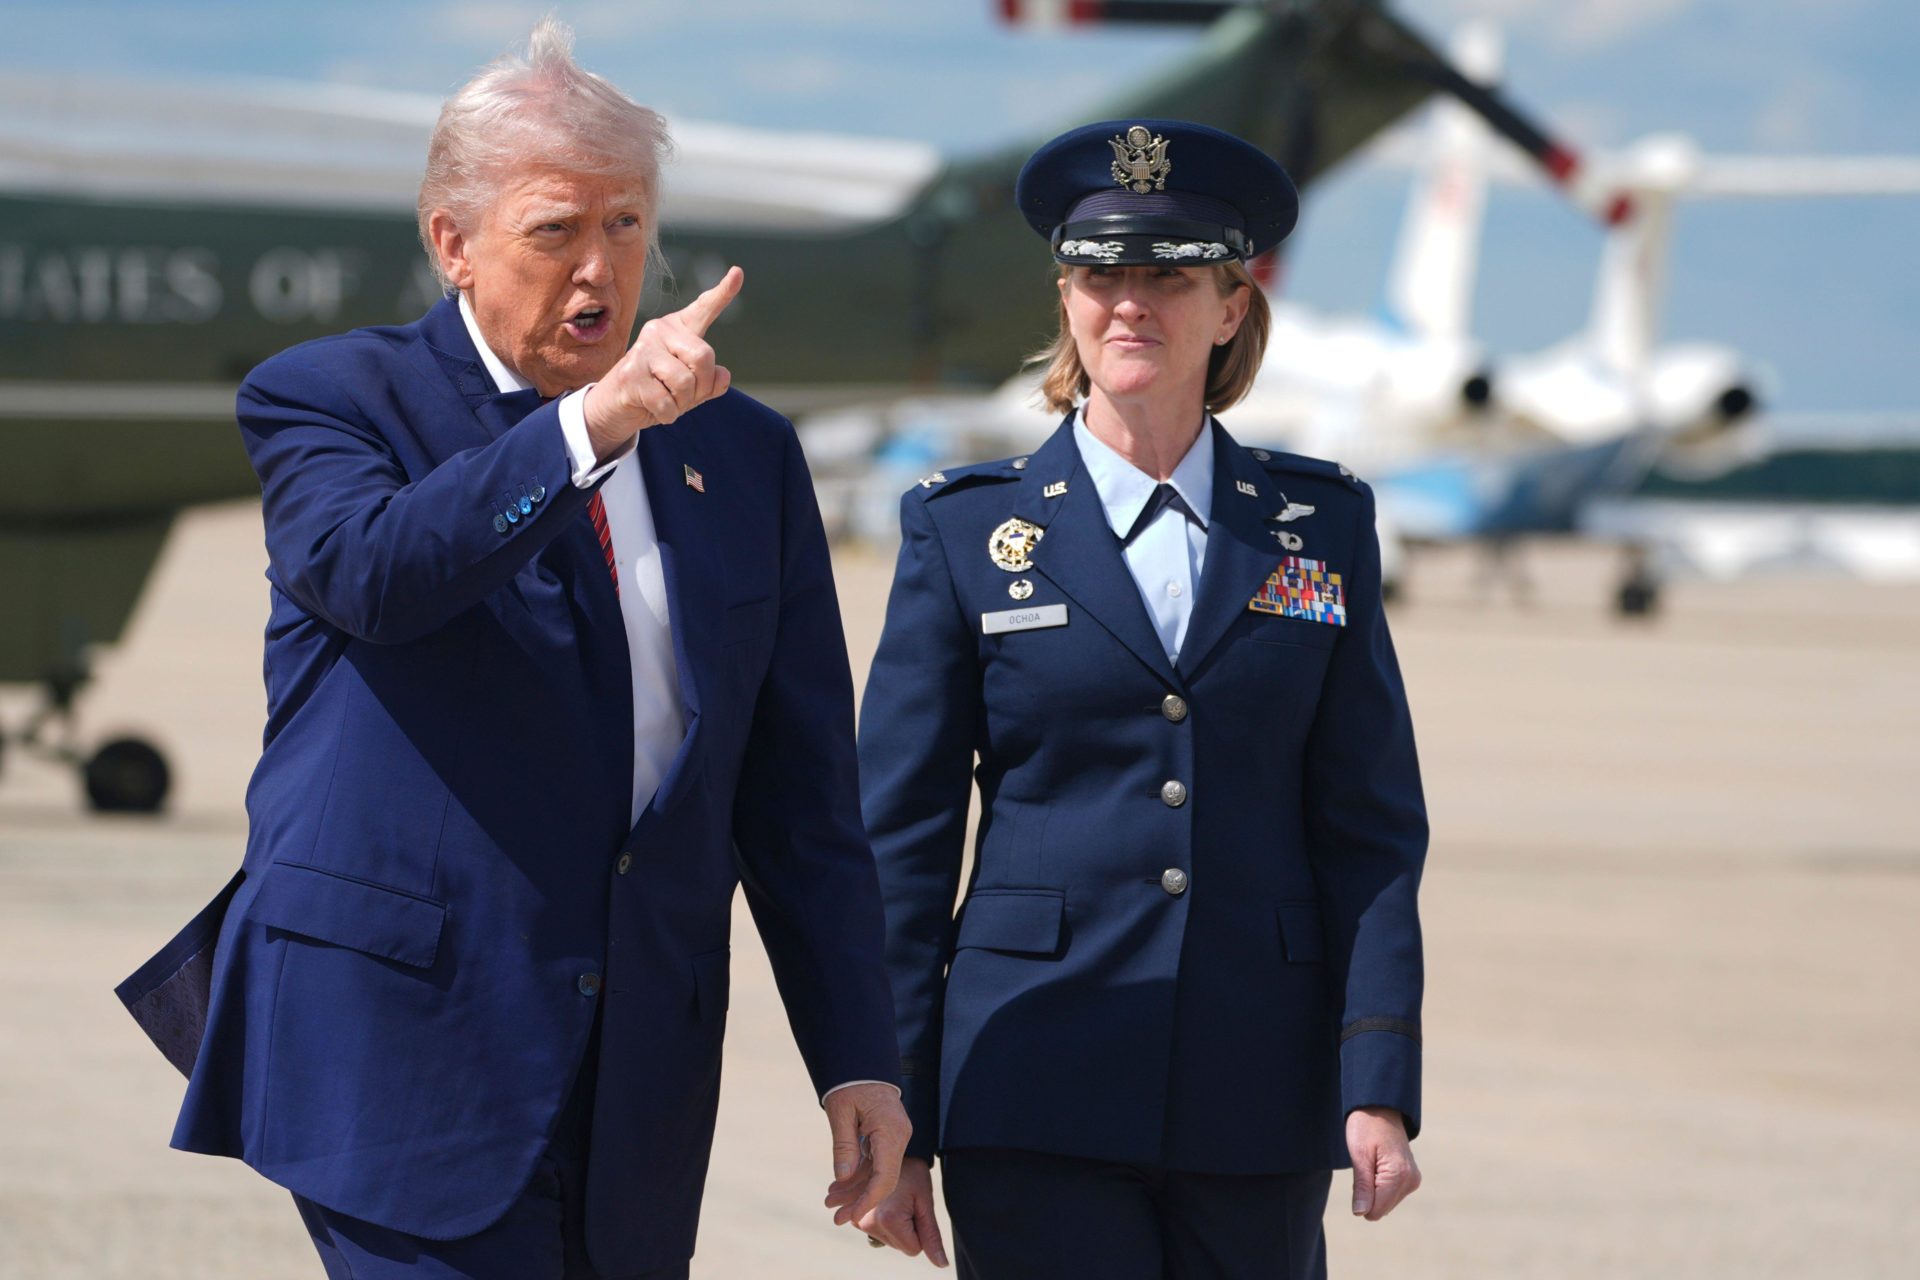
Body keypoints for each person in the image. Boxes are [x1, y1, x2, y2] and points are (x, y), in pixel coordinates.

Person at [113, 21, 908, 1279]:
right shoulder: (330, 397)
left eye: (629, 227)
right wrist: (589, 427)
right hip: (407, 1055)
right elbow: (379, 575)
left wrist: (859, 1054)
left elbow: (799, 792)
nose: (601, 269)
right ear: (453, 244)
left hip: (640, 1070)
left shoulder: (743, 454)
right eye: (556, 231)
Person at [853, 120, 1427, 1279]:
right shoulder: (966, 532)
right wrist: (895, 1106)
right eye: (1101, 275)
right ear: (1064, 299)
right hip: (1031, 1079)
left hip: (1255, 1088)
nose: (1130, 304)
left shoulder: (1317, 529)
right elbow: (899, 846)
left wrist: (1378, 1077)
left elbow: (1368, 829)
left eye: (1167, 276)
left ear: (1230, 305)